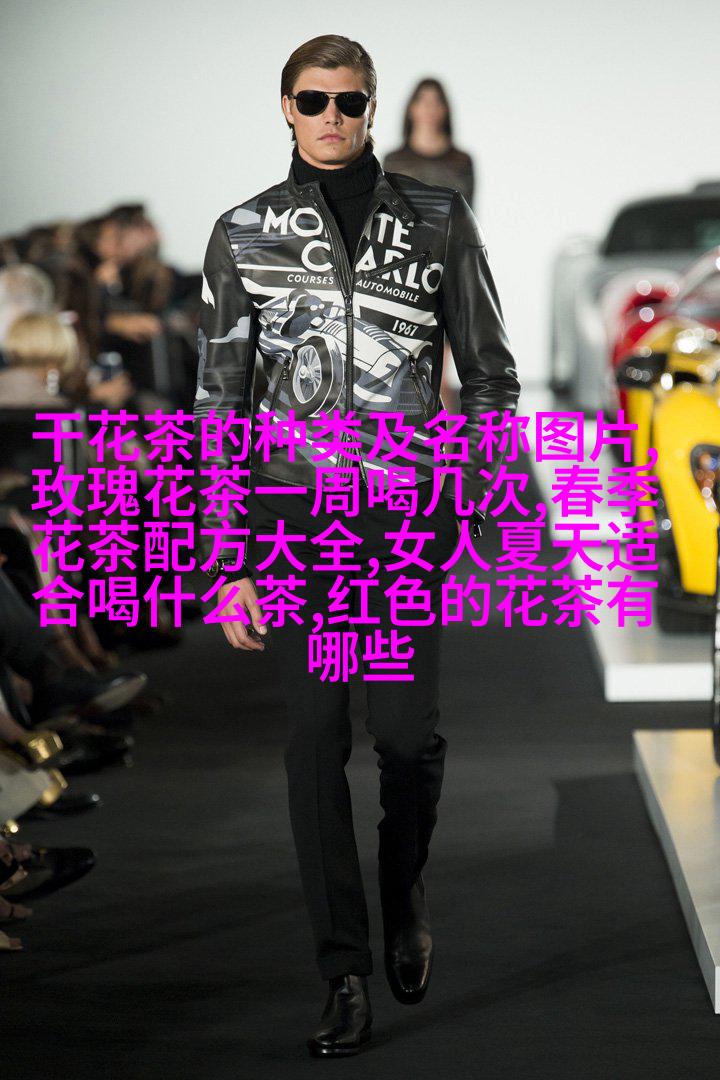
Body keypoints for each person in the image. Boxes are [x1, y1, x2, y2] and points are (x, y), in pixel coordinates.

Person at [193, 33, 521, 1058]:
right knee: (313, 743)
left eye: (348, 100)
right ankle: (342, 968)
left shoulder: (437, 217)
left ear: (374, 108)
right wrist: (228, 557)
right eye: (313, 100)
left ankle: (405, 890)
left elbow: (491, 372)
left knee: (409, 739)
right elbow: (219, 403)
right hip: (295, 524)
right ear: (285, 107)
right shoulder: (243, 232)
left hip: (405, 519)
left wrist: (484, 491)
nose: (331, 116)